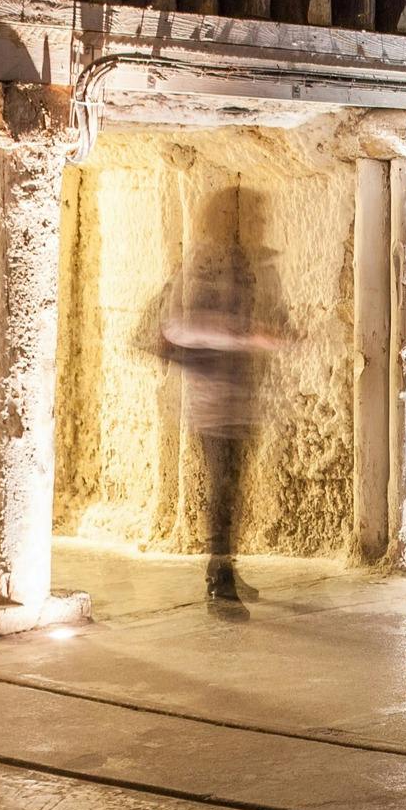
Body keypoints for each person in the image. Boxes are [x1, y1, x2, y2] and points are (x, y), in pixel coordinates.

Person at [161, 185, 283, 604]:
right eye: (253, 215)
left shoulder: (253, 263)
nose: (259, 223)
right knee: (221, 487)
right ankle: (219, 573)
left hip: (243, 396)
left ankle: (227, 565)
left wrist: (273, 336)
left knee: (235, 488)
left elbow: (270, 318)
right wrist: (245, 335)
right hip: (212, 398)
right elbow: (179, 325)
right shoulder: (202, 263)